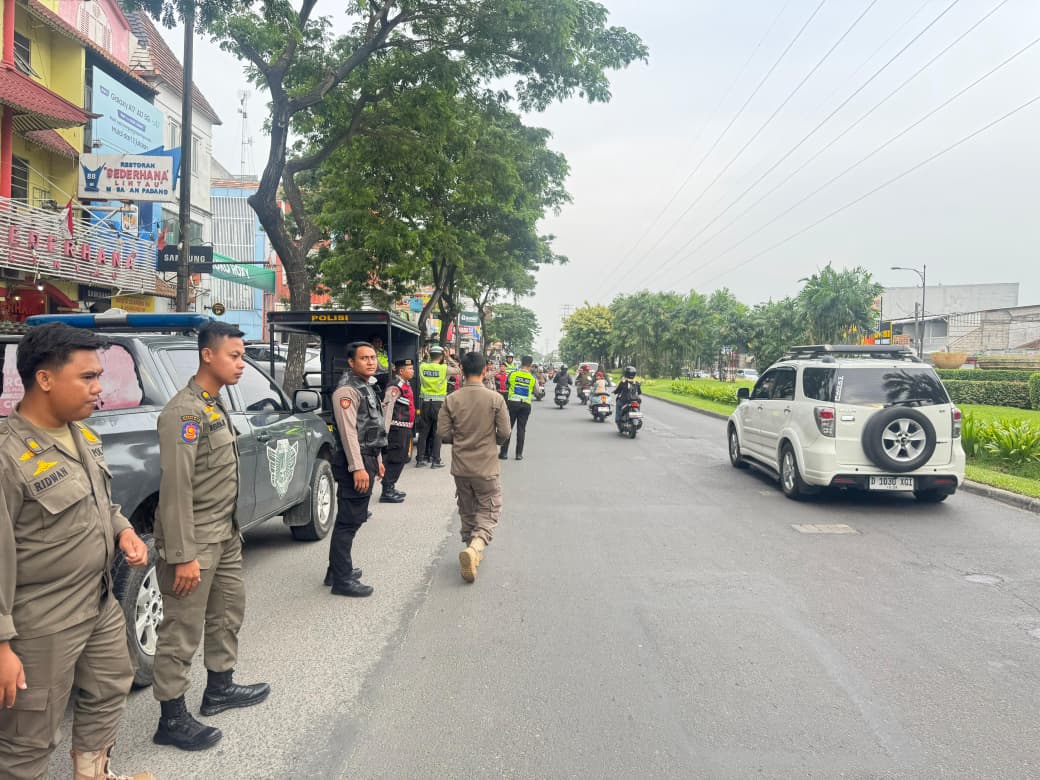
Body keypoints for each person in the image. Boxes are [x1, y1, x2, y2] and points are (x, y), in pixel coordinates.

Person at [0, 323, 154, 780]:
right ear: (45, 379)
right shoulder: (7, 457)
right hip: (40, 620)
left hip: (98, 599)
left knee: (110, 686)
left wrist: (123, 529)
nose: (99, 389)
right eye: (87, 377)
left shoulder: (80, 435)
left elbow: (99, 502)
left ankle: (92, 773)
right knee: (28, 737)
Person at [152, 321, 270, 752]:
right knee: (181, 629)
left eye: (242, 356)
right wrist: (182, 554)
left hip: (224, 534)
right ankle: (171, 716)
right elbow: (176, 488)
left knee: (226, 614)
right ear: (208, 355)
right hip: (195, 542)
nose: (242, 364)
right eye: (235, 356)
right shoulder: (184, 412)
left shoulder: (213, 405)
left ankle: (219, 688)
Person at [438, 352, 511, 583]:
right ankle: (476, 546)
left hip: (461, 467)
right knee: (490, 508)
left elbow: (442, 433)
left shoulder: (452, 399)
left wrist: (458, 440)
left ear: (461, 370)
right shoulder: (495, 399)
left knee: (467, 509)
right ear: (483, 371)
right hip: (486, 466)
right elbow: (506, 433)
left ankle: (471, 550)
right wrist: (493, 443)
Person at [324, 342, 386, 598]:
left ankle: (335, 570)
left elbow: (372, 427)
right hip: (355, 462)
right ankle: (342, 580)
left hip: (367, 458)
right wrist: (358, 467)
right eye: (364, 358)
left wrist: (378, 459)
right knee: (349, 522)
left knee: (350, 518)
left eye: (373, 357)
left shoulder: (367, 386)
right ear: (351, 362)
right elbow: (349, 433)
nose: (371, 362)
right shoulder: (347, 391)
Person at [415, 346, 459, 469]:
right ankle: (436, 460)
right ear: (441, 356)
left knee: (423, 432)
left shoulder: (423, 367)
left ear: (430, 355)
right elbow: (459, 370)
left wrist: (427, 355)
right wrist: (449, 358)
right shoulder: (444, 369)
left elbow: (421, 361)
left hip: (425, 403)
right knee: (437, 433)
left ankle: (420, 460)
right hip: (438, 404)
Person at [379, 357, 415, 503]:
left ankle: (391, 487)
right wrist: (385, 432)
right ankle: (386, 491)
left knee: (401, 458)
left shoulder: (405, 384)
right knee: (395, 458)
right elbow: (388, 409)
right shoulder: (395, 387)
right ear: (401, 371)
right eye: (410, 369)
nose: (412, 371)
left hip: (405, 427)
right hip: (396, 429)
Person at [498, 355, 537, 461]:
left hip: (513, 404)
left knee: (508, 428)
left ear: (521, 363)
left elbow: (506, 385)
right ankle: (518, 454)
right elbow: (537, 391)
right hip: (525, 405)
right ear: (530, 365)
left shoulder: (513, 374)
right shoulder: (532, 378)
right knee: (521, 429)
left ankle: (504, 453)